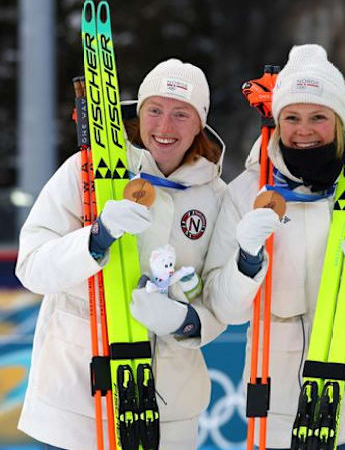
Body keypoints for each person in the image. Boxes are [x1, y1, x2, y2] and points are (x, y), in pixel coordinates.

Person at [202, 44, 345, 450]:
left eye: (319, 116)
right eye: (293, 117)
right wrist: (247, 260)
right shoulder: (247, 192)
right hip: (283, 398)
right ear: (278, 120)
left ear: (340, 121)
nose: (305, 130)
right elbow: (225, 308)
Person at [16, 58, 227, 449]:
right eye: (155, 110)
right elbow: (30, 267)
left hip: (168, 413)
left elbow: (221, 301)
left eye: (181, 114)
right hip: (76, 406)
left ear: (200, 124)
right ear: (138, 112)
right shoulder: (87, 170)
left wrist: (185, 321)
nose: (165, 127)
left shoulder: (216, 197)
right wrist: (95, 239)